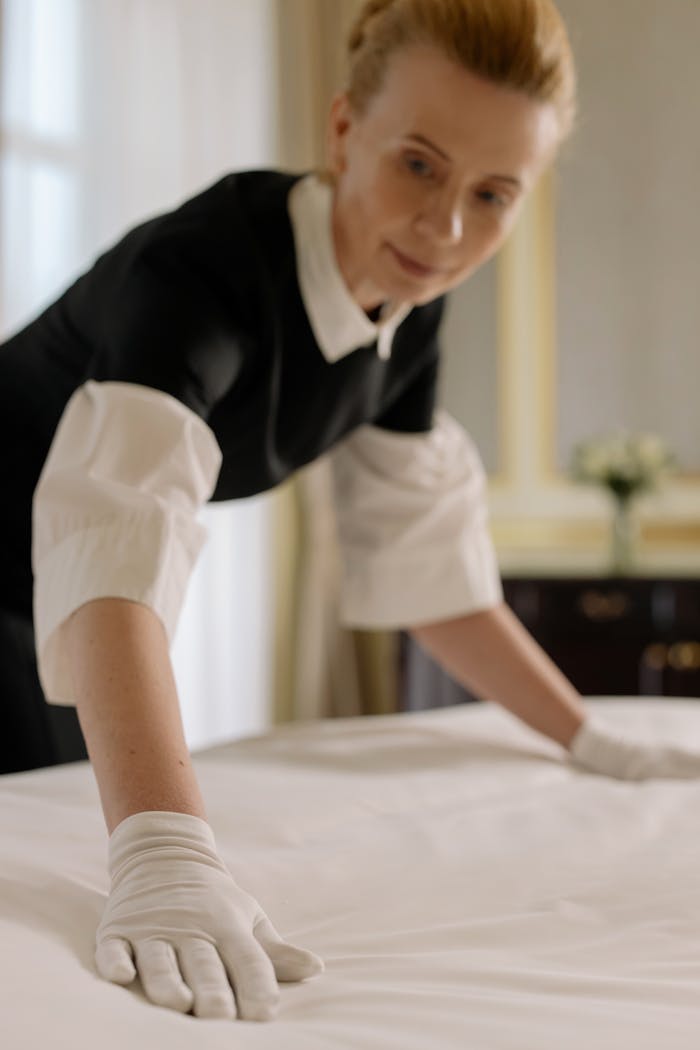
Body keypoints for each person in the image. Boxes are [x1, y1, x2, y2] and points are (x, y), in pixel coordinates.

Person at [2, 0, 700, 1024]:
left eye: (494, 193)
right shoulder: (202, 274)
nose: (447, 227)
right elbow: (114, 548)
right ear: (342, 128)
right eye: (418, 163)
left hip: (43, 601)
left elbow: (431, 574)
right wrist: (165, 848)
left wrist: (586, 739)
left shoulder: (408, 310)